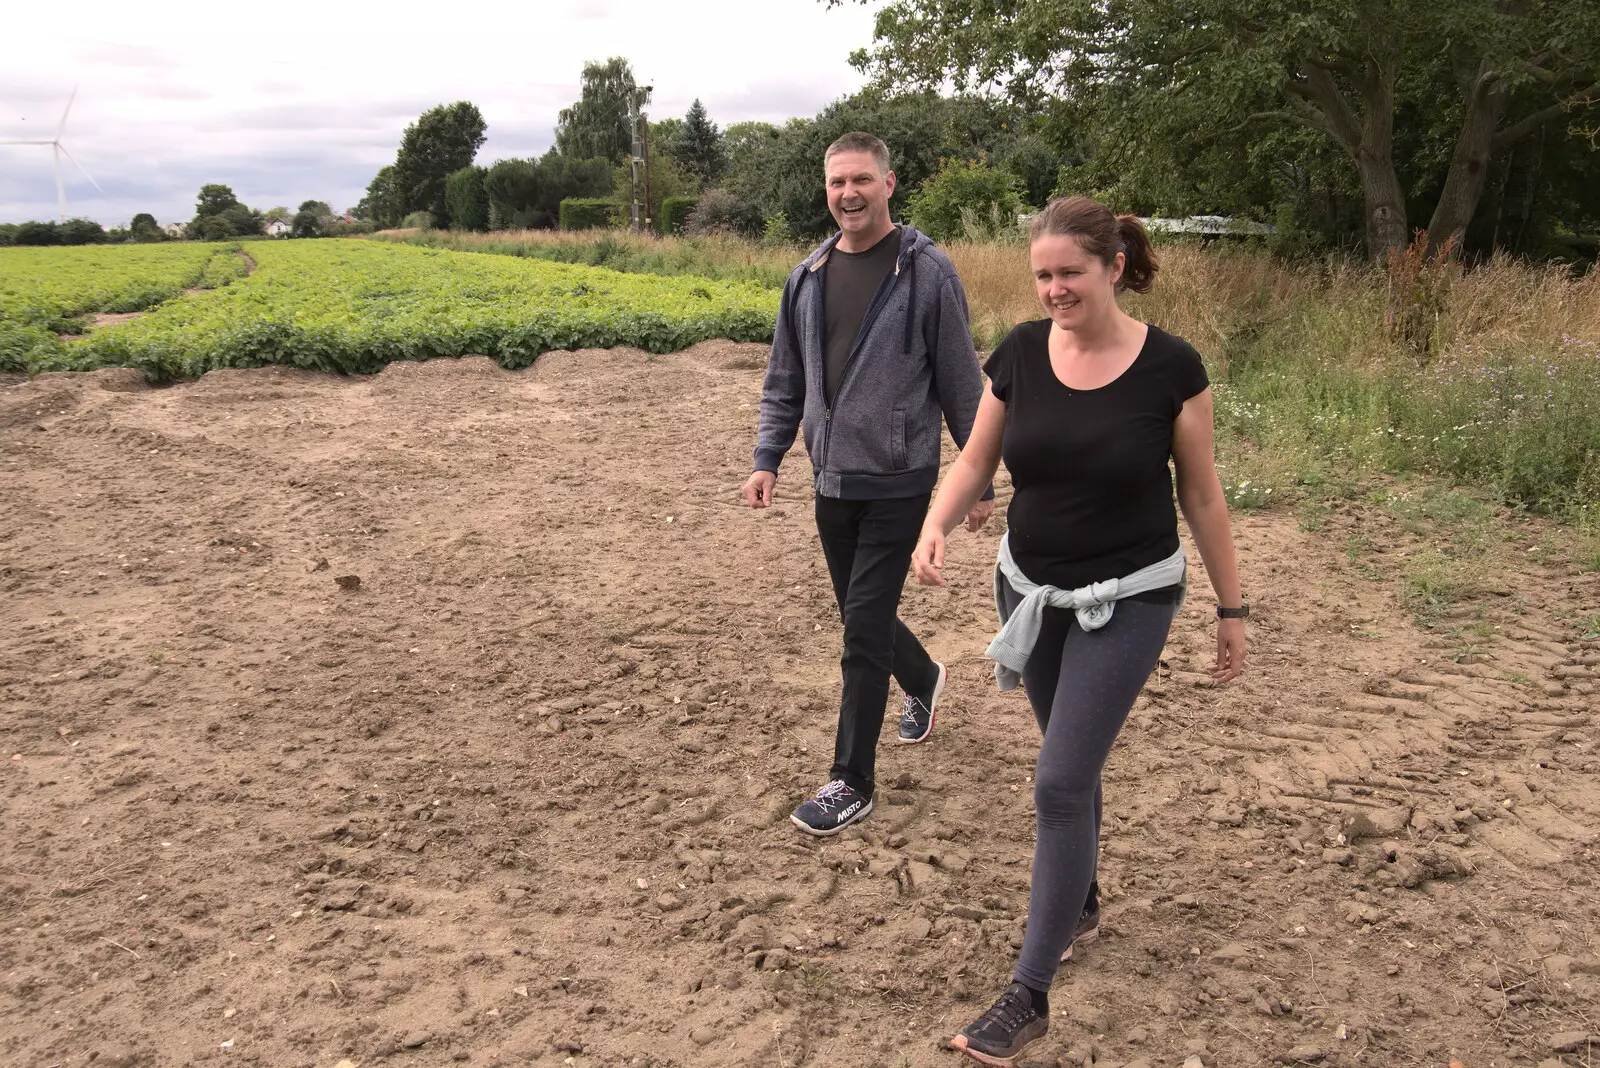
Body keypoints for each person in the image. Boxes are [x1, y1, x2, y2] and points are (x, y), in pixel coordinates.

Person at [910, 195, 1247, 1065]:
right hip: (1028, 592)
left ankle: (1027, 995)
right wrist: (937, 522)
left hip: (1131, 597)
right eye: (1042, 276)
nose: (1054, 290)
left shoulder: (1172, 367)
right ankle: (1083, 899)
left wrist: (1231, 607)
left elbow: (1201, 496)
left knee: (1060, 781)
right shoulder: (1020, 352)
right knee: (1074, 760)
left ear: (1114, 269)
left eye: (1069, 273)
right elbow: (979, 458)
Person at [740, 131, 994, 837]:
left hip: (900, 481)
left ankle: (851, 779)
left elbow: (960, 382)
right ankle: (924, 679)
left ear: (888, 183)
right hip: (832, 482)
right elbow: (784, 380)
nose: (847, 194)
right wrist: (768, 456)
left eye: (860, 180)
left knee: (860, 635)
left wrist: (981, 481)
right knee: (864, 617)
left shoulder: (927, 272)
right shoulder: (809, 276)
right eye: (836, 183)